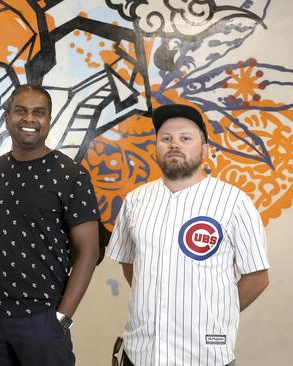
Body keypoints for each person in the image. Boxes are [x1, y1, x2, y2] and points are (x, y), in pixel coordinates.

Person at [106, 104, 270, 366]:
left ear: (205, 149)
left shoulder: (234, 202)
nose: (174, 145)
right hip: (140, 352)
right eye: (166, 139)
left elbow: (258, 277)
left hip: (204, 355)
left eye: (185, 138)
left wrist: (212, 313)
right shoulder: (136, 200)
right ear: (156, 147)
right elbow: (130, 264)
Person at [0, 84, 101, 365]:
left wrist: (61, 318)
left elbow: (89, 252)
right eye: (20, 111)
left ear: (49, 120)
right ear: (7, 119)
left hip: (42, 321)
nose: (29, 119)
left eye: (39, 112)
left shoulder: (72, 175)